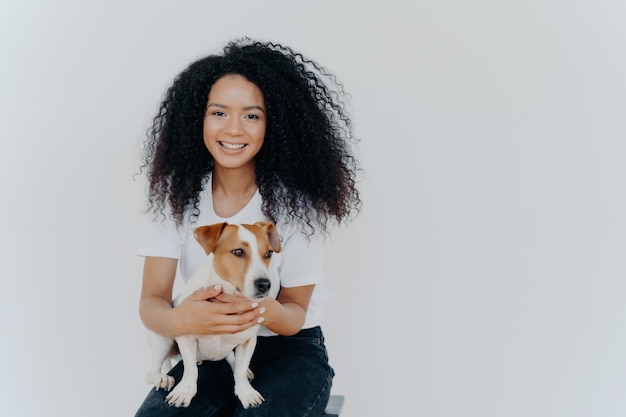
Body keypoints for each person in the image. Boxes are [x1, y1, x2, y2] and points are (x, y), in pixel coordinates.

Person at [134, 37, 361, 417]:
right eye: (219, 113)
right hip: (208, 344)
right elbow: (151, 302)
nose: (234, 129)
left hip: (291, 350)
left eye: (252, 115)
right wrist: (180, 320)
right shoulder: (174, 199)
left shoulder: (297, 205)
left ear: (274, 124)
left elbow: (293, 317)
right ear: (197, 118)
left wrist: (252, 309)